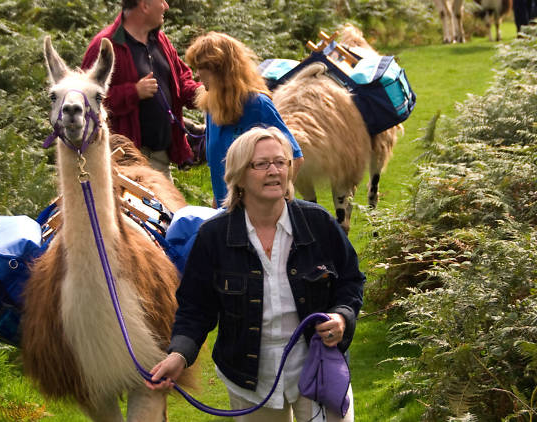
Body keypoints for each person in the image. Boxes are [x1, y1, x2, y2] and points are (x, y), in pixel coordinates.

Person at [146, 126, 365, 422]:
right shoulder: (213, 237)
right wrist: (180, 355)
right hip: (248, 379)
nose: (274, 171)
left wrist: (341, 317)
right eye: (261, 164)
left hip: (318, 370)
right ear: (239, 175)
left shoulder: (319, 224)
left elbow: (351, 281)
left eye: (281, 162)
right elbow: (196, 308)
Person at [81, 0, 202, 179]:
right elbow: (86, 99)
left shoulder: (160, 41)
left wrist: (206, 94)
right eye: (161, 1)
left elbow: (182, 80)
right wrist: (133, 92)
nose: (166, 6)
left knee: (169, 208)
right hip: (125, 162)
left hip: (161, 158)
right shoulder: (105, 45)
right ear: (144, 5)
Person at [184, 32, 304, 207]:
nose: (196, 75)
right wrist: (217, 210)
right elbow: (220, 173)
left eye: (201, 68)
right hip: (228, 216)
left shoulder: (258, 105)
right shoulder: (212, 109)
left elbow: (295, 158)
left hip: (259, 216)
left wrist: (266, 200)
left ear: (220, 70)